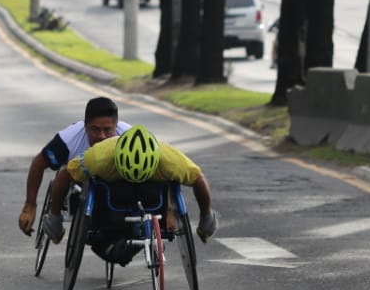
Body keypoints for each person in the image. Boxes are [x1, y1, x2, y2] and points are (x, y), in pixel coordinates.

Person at [43, 125, 219, 263]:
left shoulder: (170, 160)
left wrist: (206, 217)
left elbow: (198, 179)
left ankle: (141, 233)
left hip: (152, 192)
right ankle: (112, 243)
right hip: (112, 195)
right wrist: (55, 216)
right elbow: (66, 174)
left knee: (166, 186)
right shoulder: (100, 156)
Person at [17, 96, 128, 236]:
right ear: (85, 126)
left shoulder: (127, 137)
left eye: (107, 130)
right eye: (95, 130)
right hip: (75, 176)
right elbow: (38, 164)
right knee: (65, 174)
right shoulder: (69, 139)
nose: (102, 136)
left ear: (116, 126)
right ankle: (54, 219)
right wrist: (30, 205)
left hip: (112, 181)